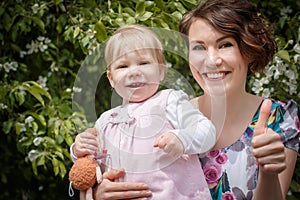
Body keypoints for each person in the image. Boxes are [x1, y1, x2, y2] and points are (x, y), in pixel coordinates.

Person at [86, 0, 300, 200]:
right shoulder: (165, 113)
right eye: (198, 47)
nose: (211, 60)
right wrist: (95, 193)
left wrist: (268, 171)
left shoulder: (278, 118)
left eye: (224, 44)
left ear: (248, 48)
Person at [70, 24, 217, 199]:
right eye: (123, 66)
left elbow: (206, 130)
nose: (134, 72)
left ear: (161, 71)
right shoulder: (106, 120)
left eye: (144, 63)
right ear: (111, 78)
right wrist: (78, 150)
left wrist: (182, 138)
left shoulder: (169, 101)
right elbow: (96, 163)